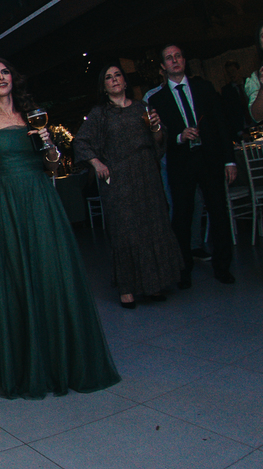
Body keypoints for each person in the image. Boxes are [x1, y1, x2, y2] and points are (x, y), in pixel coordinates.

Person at [0, 0, 120, 399]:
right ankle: (31, 363)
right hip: (8, 202)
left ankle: (65, 358)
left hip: (41, 198)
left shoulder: (32, 116)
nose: (1, 77)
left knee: (54, 275)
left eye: (5, 72)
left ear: (12, 79)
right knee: (20, 278)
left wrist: (49, 145)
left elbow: (53, 166)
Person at [72, 64, 184, 307]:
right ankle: (127, 289)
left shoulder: (143, 107)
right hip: (119, 181)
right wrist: (97, 163)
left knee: (153, 228)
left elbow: (159, 141)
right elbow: (80, 142)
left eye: (118, 75)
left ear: (125, 81)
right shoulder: (100, 114)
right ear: (104, 86)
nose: (114, 80)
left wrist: (156, 128)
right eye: (108, 77)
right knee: (125, 232)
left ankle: (154, 285)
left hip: (147, 177)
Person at [147, 44, 237, 286]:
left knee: (218, 213)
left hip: (210, 159)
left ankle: (223, 267)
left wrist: (230, 160)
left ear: (184, 61)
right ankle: (183, 270)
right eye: (169, 58)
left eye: (178, 56)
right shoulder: (157, 100)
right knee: (182, 217)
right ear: (163, 67)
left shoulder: (204, 88)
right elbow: (157, 139)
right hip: (181, 163)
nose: (175, 60)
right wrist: (179, 136)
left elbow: (221, 124)